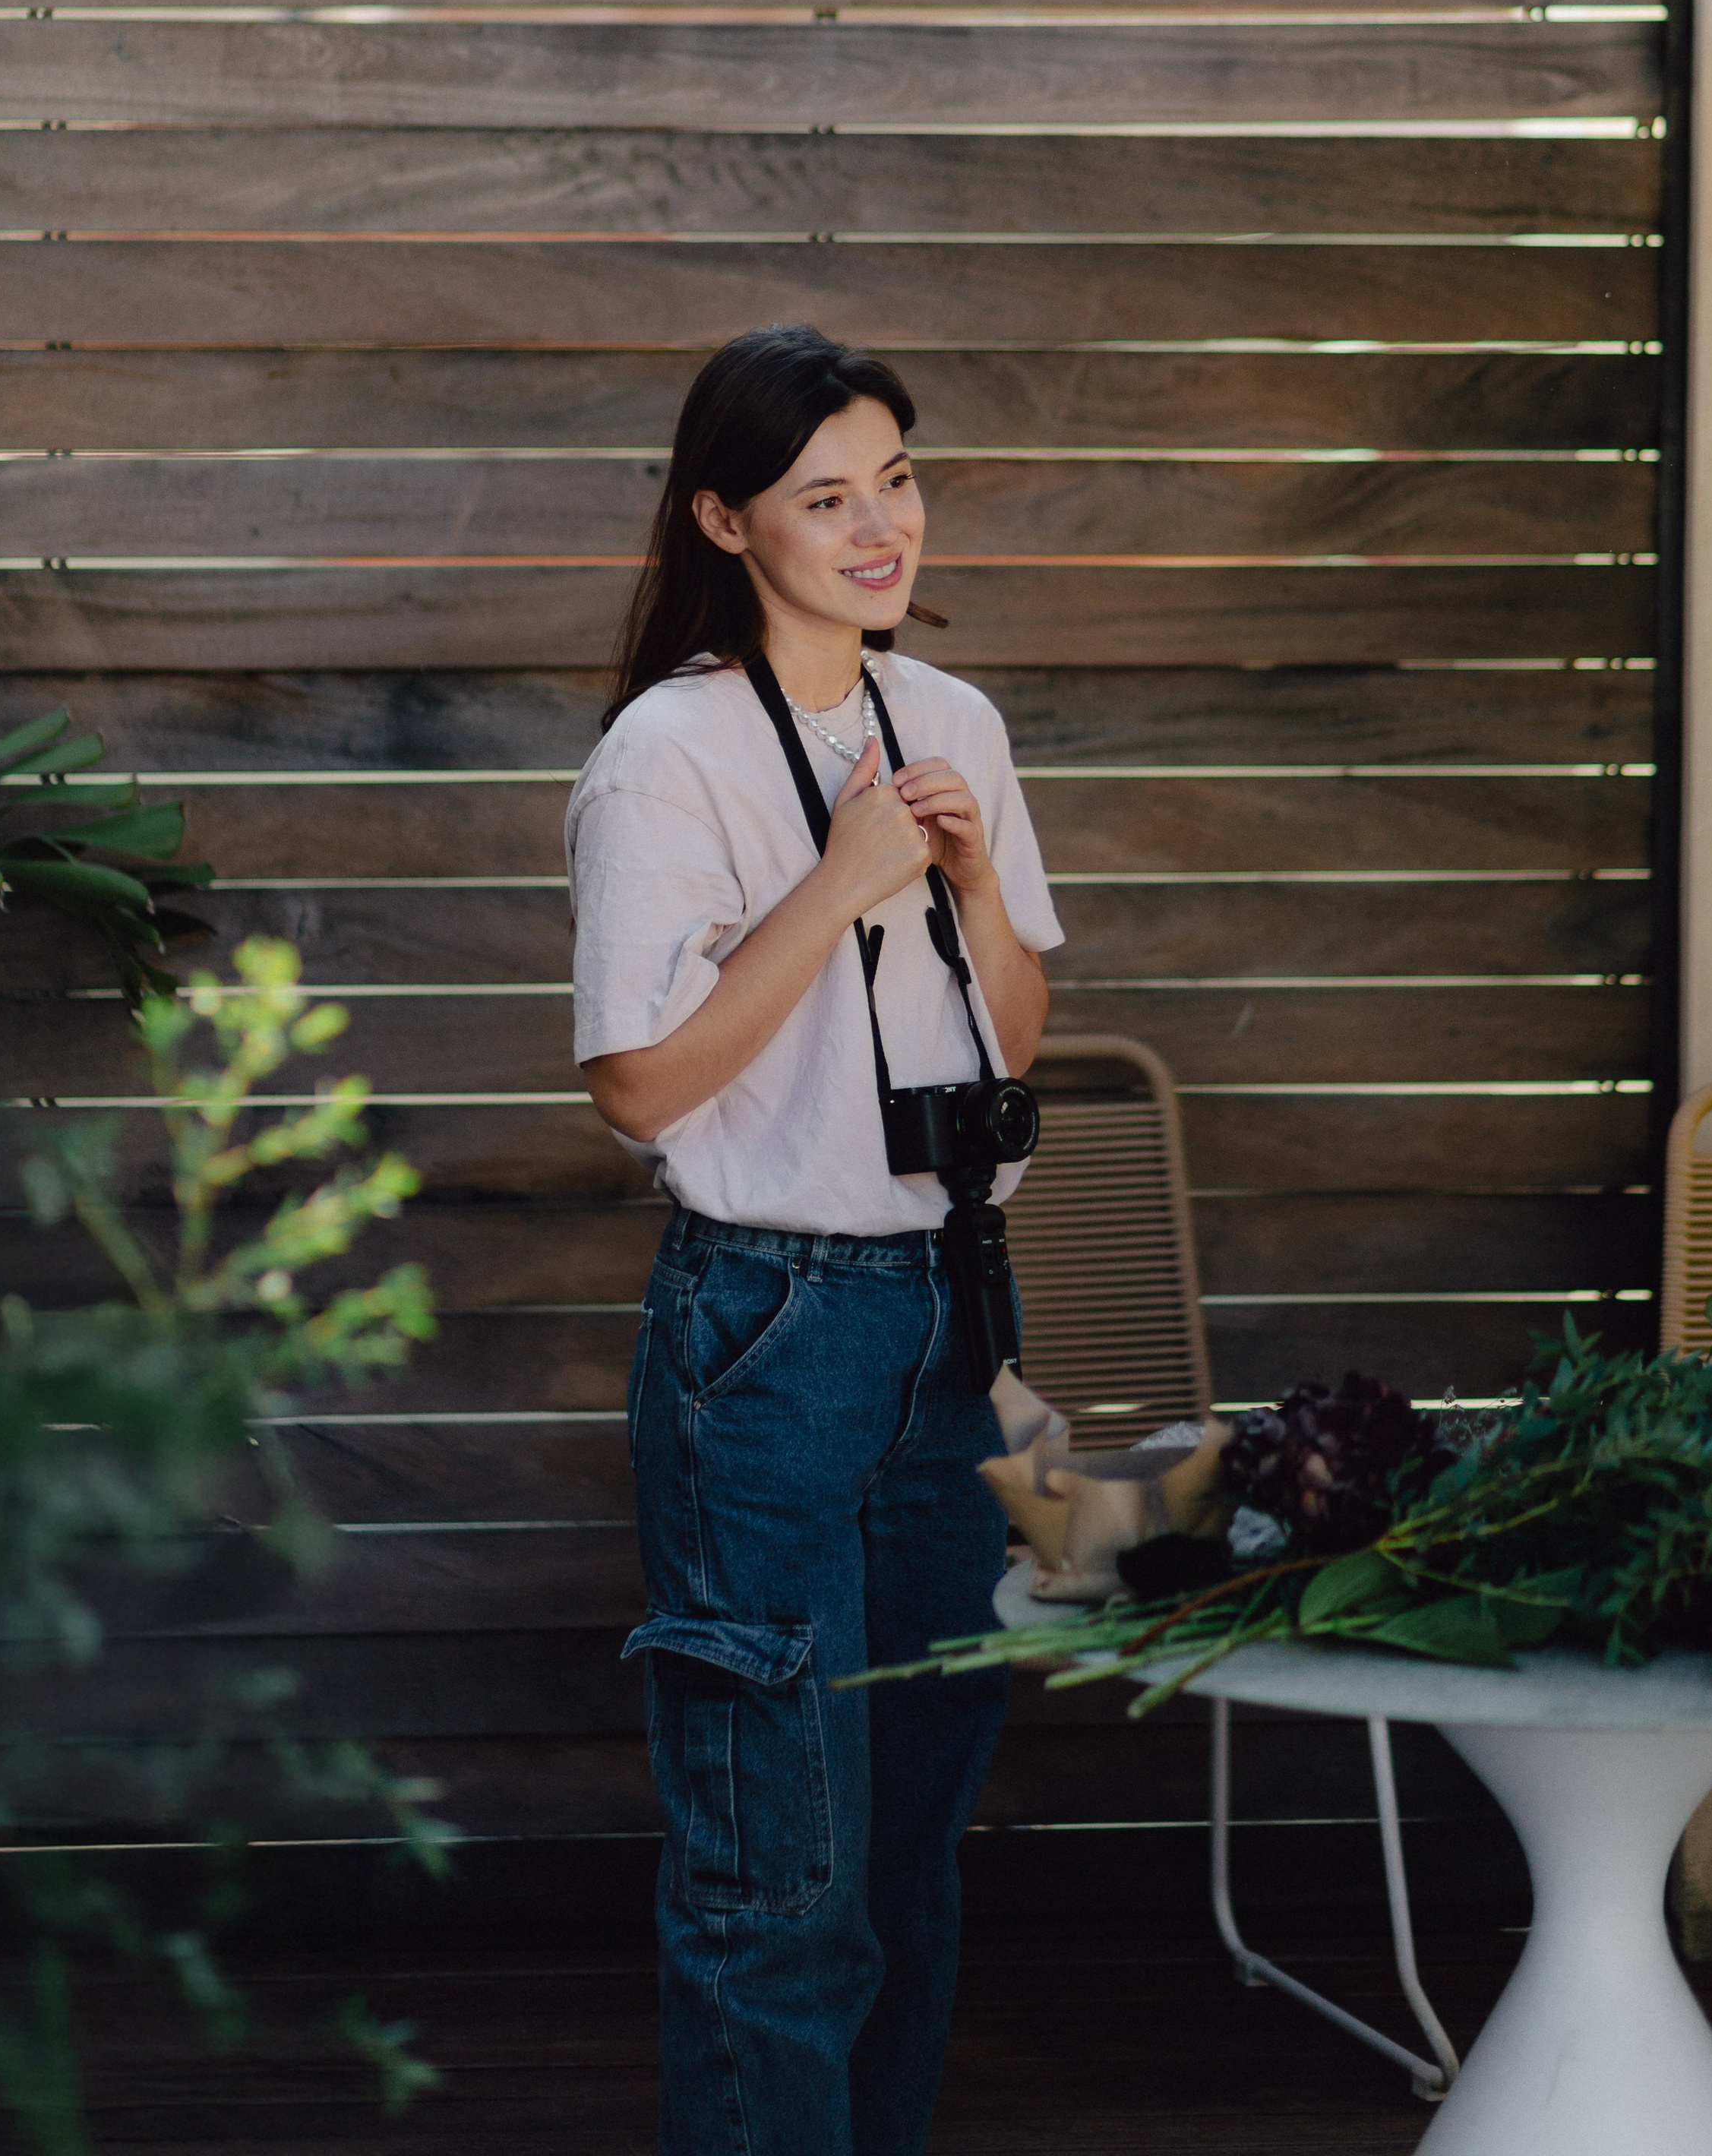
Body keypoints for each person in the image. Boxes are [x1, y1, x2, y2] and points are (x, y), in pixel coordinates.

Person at [565, 324, 1063, 2156]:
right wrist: (834, 891)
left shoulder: (959, 724)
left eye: (898, 482)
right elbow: (635, 1084)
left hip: (951, 1315)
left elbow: (1010, 1035)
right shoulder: (666, 753)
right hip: (767, 1330)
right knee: (780, 1879)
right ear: (723, 517)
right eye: (824, 496)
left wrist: (973, 887)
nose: (878, 530)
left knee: (906, 1858)